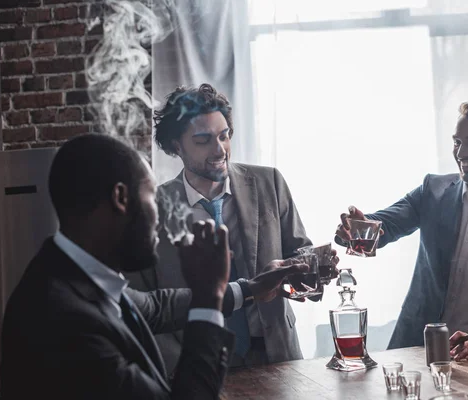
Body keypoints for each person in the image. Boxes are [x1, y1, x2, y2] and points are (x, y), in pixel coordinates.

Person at [0, 134, 309, 399]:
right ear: (121, 198)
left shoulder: (71, 274)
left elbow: (154, 307)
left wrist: (251, 288)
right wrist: (208, 300)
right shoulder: (64, 322)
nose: (159, 217)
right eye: (151, 198)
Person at [128, 83, 338, 368]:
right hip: (192, 360)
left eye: (224, 136)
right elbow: (142, 301)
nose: (220, 150)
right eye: (203, 140)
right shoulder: (152, 207)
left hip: (274, 351)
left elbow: (299, 251)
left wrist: (313, 267)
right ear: (177, 145)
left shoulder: (269, 183)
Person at [335, 101, 468, 364]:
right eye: (456, 142)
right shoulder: (432, 190)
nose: (461, 152)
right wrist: (356, 228)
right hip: (415, 351)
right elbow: (385, 226)